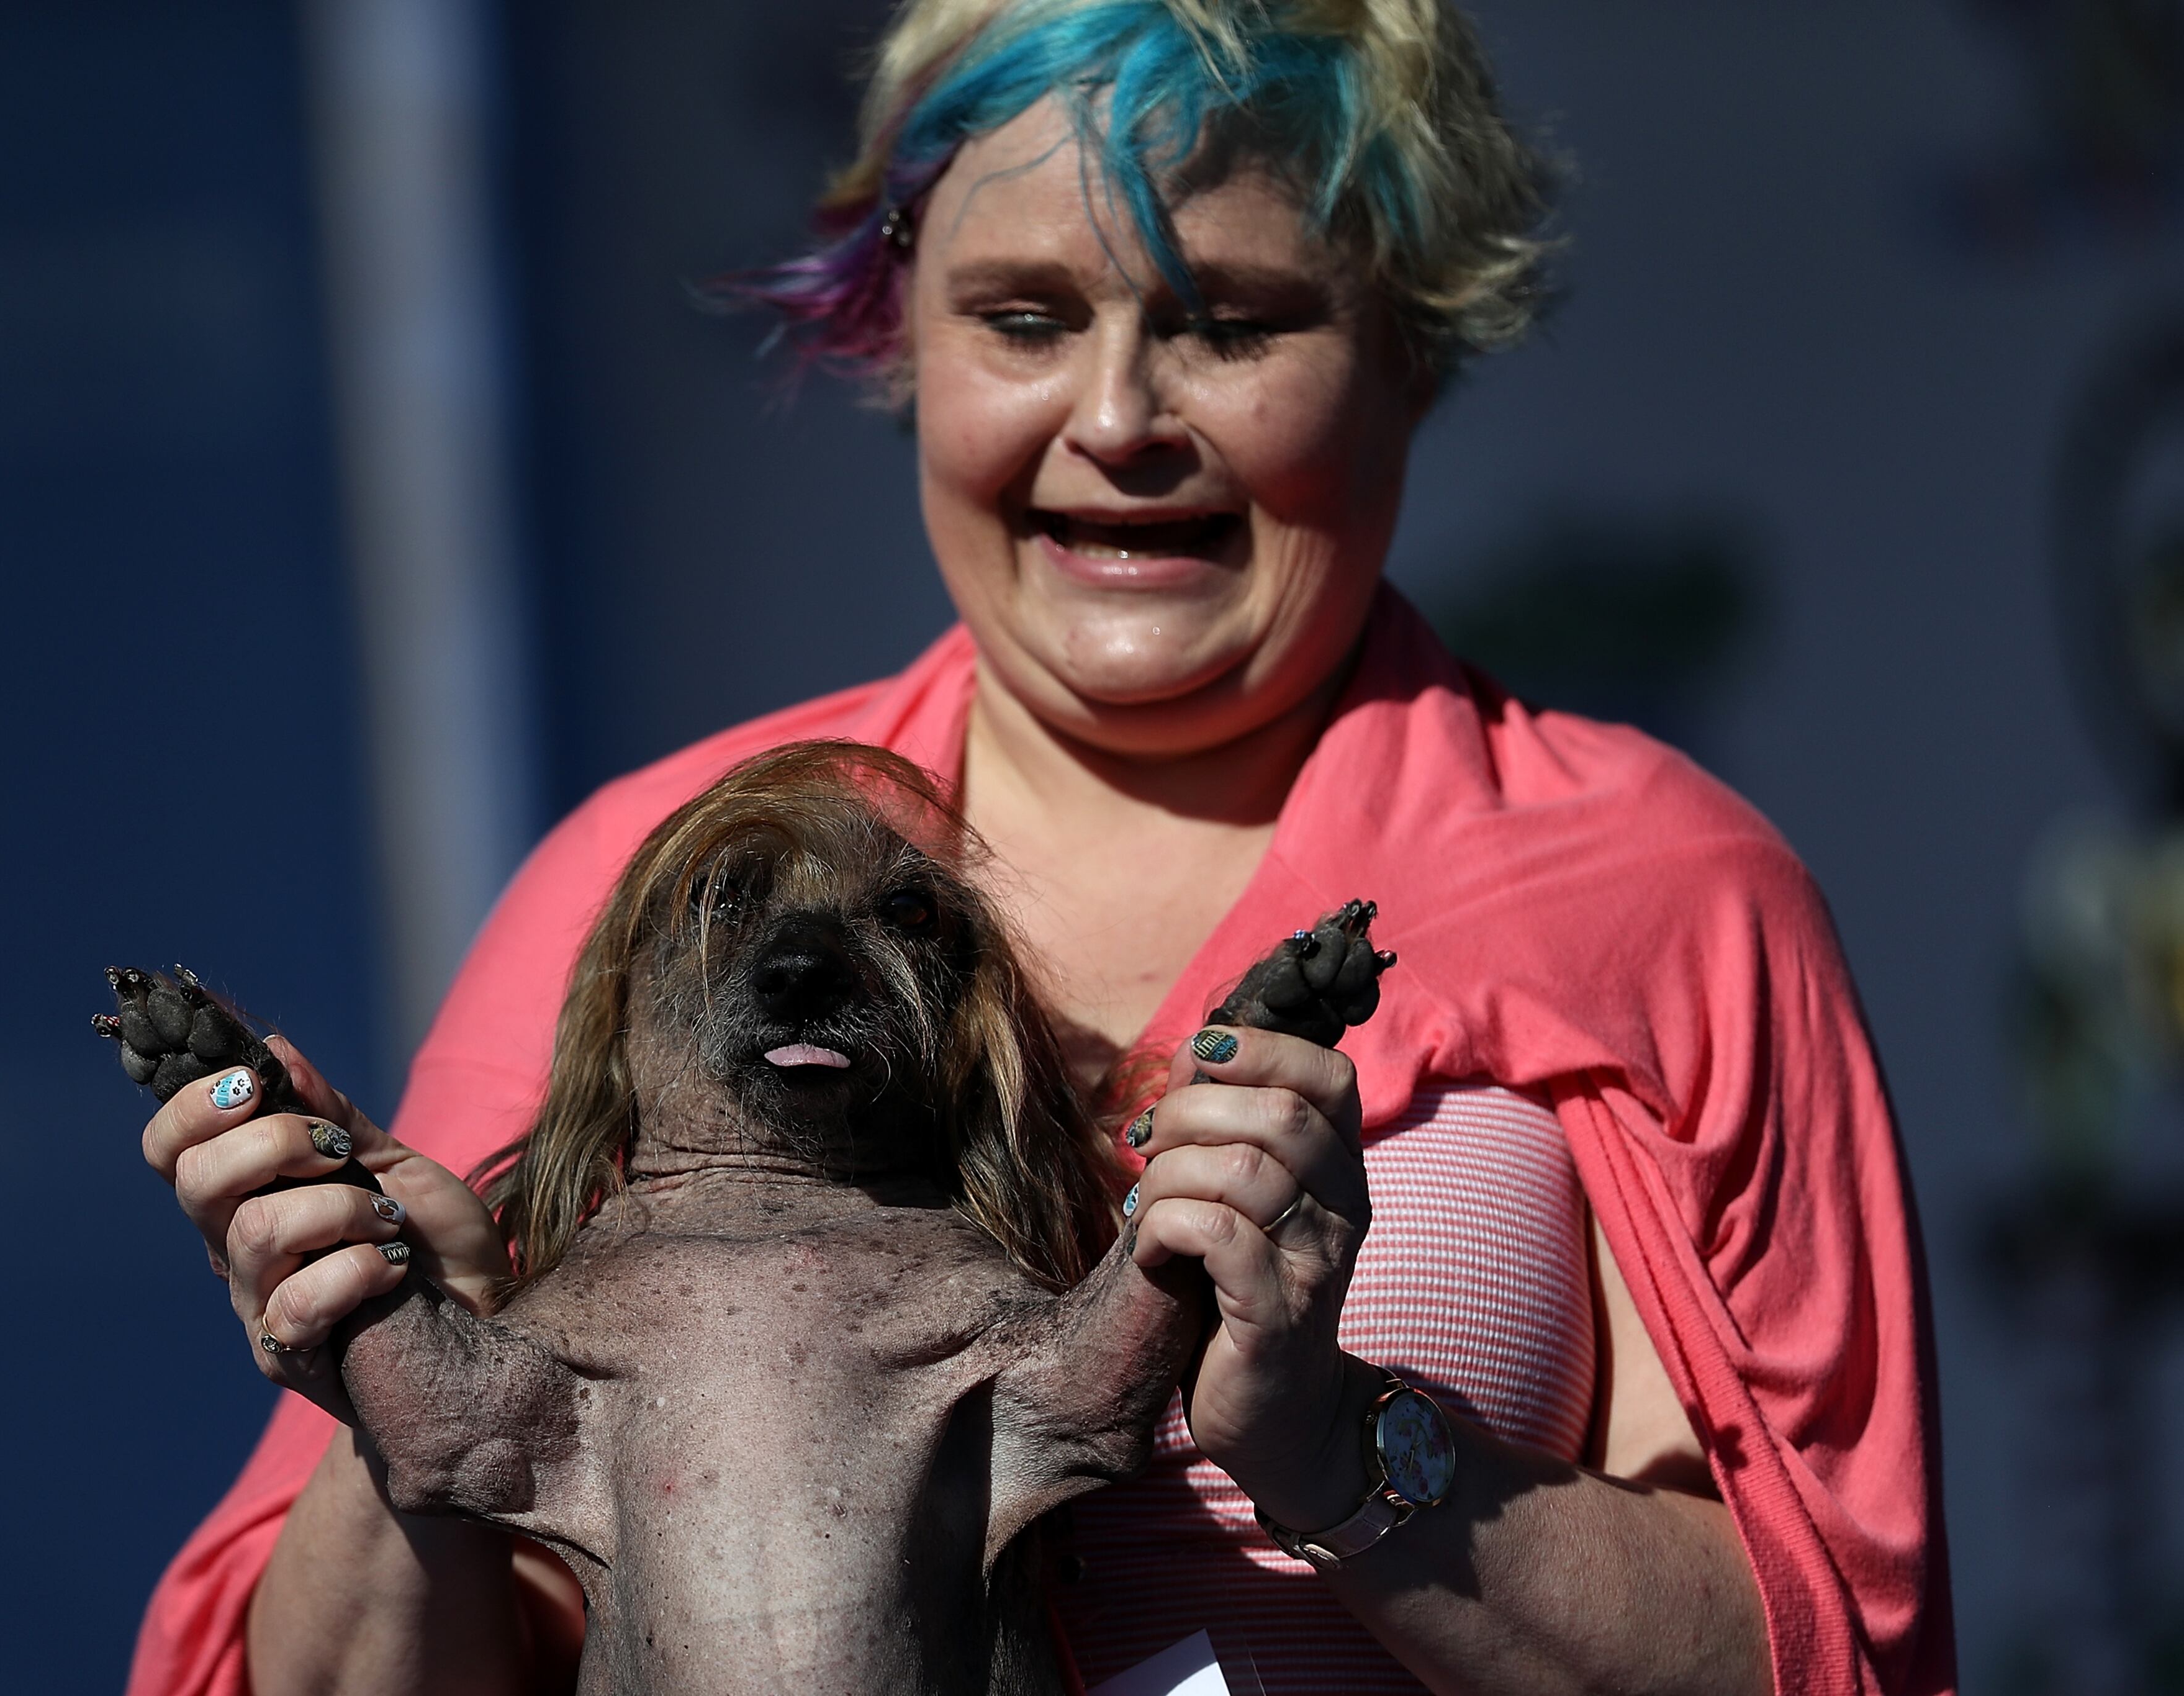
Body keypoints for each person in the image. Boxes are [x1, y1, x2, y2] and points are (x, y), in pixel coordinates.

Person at [127, 2, 1952, 1692]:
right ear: (900, 332)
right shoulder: (660, 886)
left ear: (1412, 343)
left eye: (1231, 321)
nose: (1117, 420)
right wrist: (398, 1395)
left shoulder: (1662, 895)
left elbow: (1829, 1657)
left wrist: (1340, 1445)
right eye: (1024, 316)